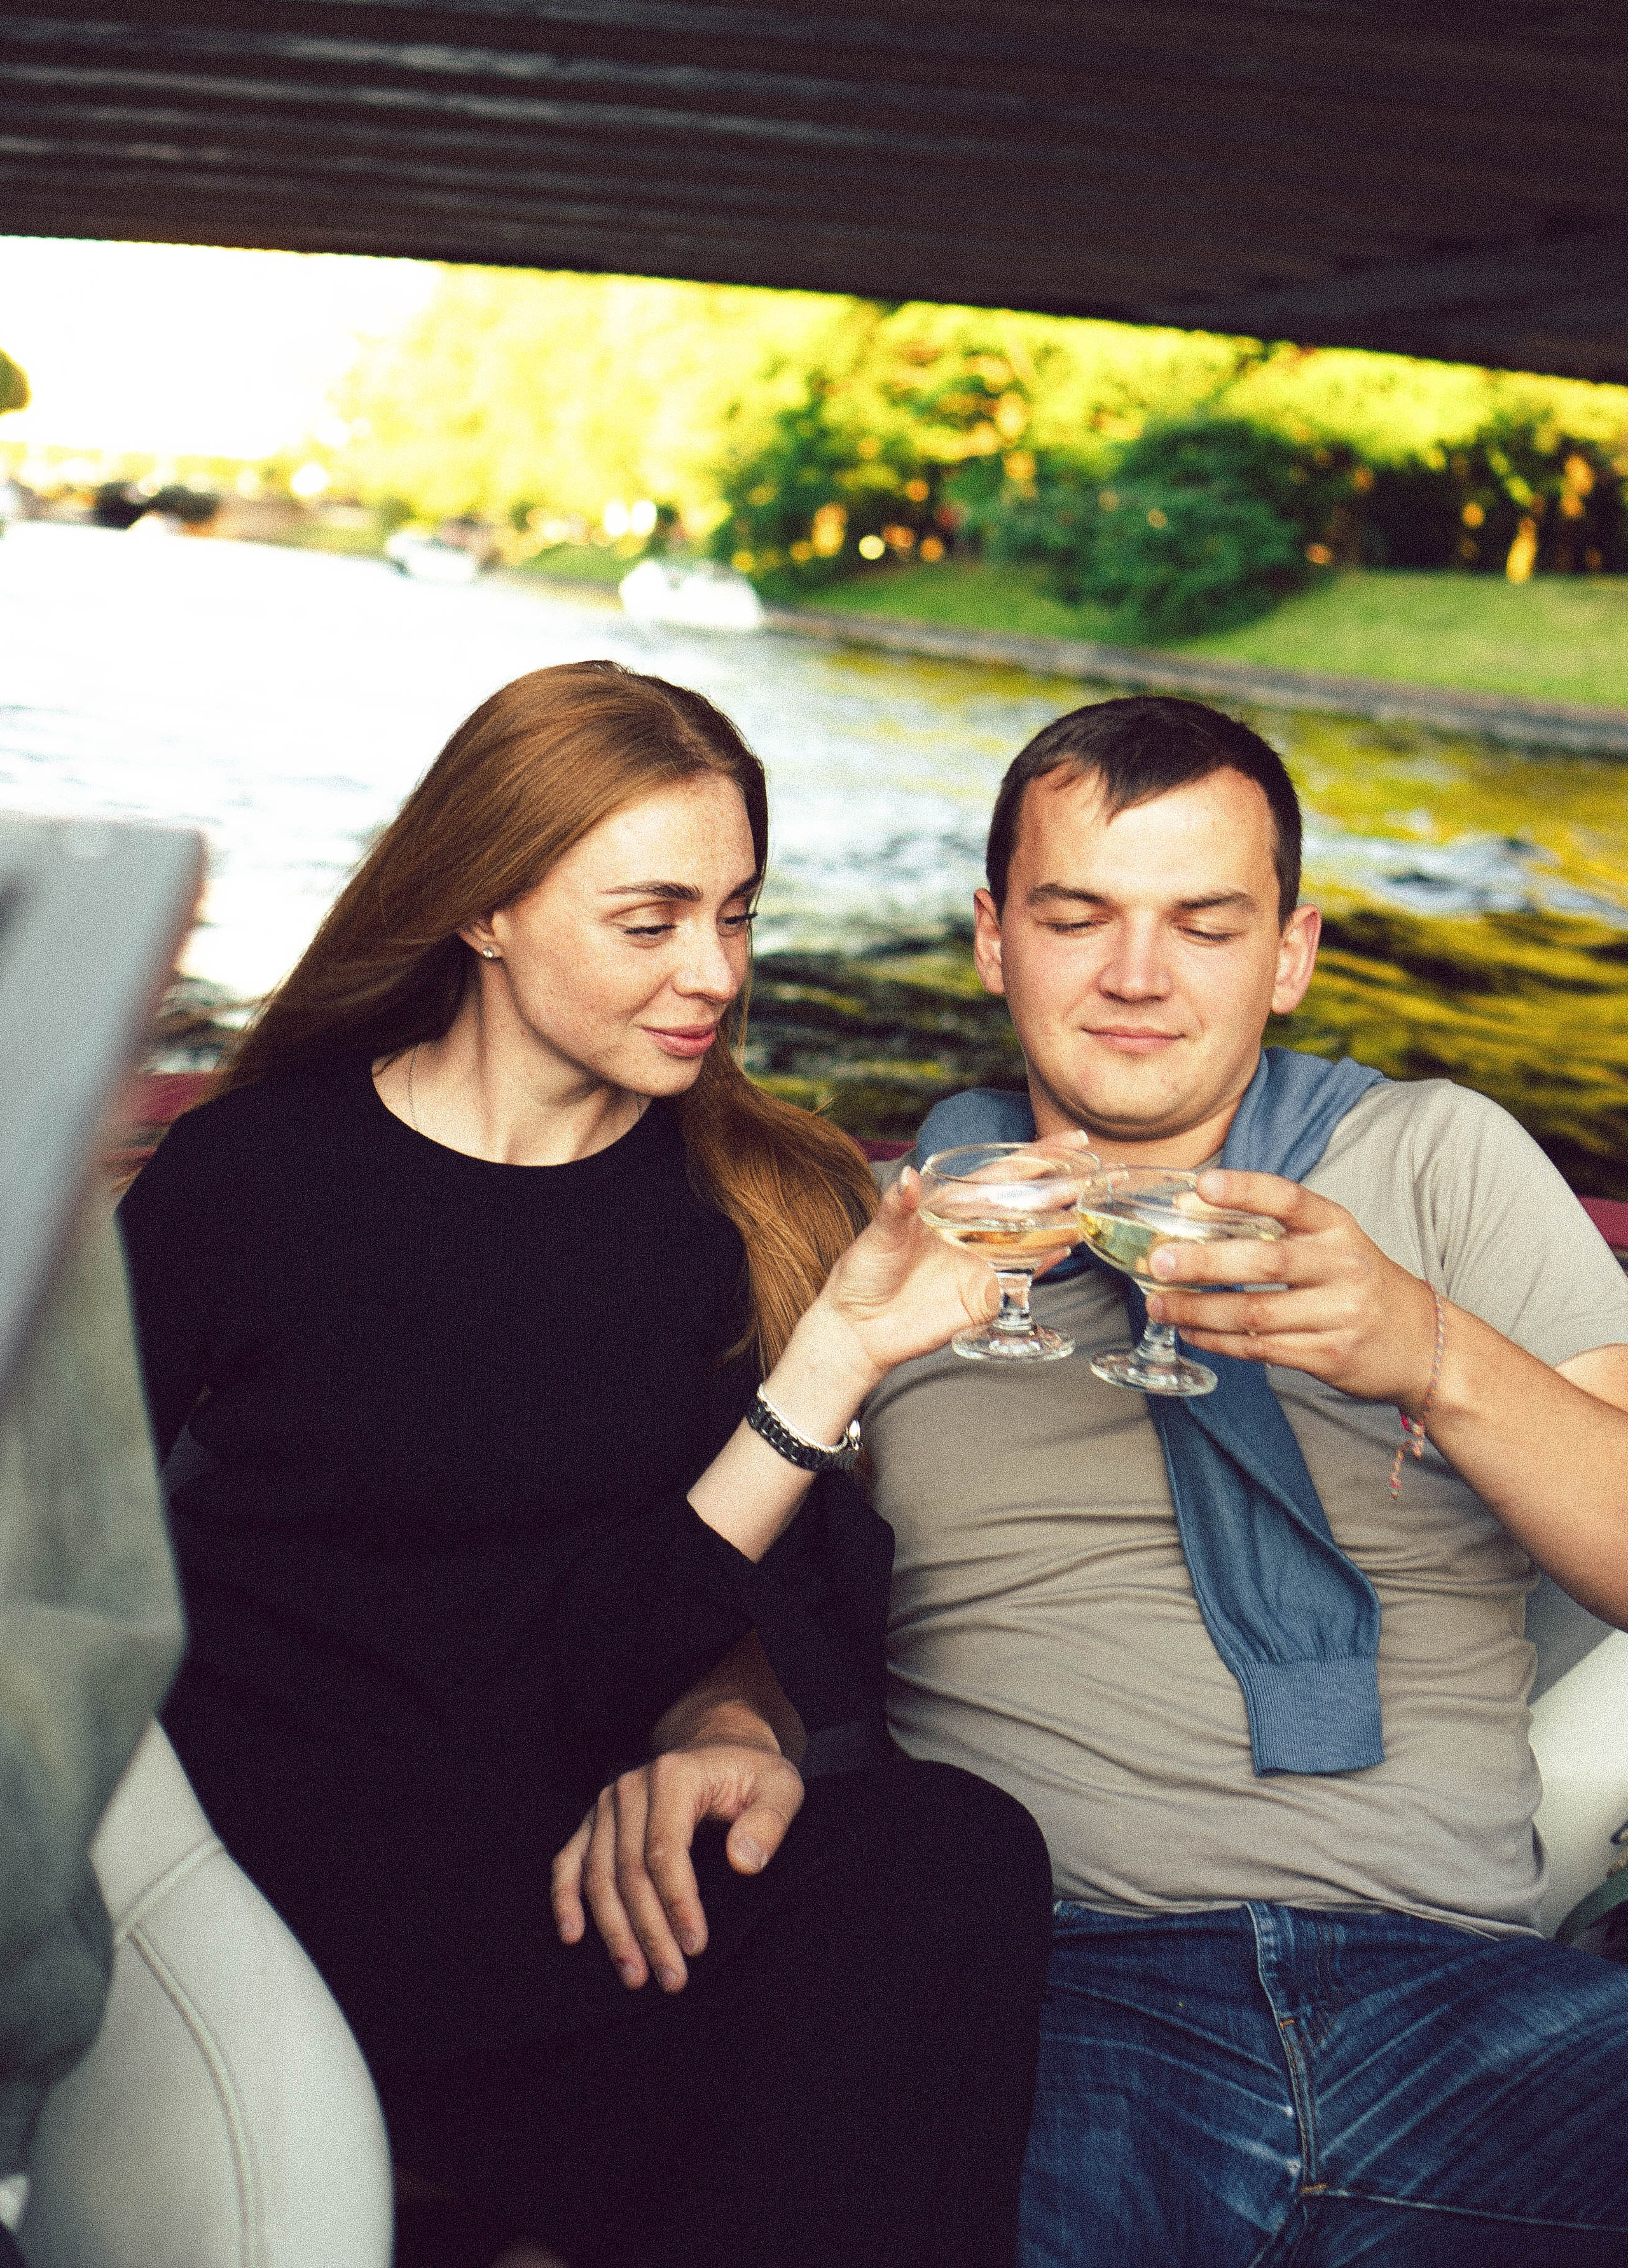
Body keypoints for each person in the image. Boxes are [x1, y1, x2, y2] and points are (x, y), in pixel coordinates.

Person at [567, 694, 1628, 2267]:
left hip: (1467, 2008)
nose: (1137, 977)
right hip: (1053, 1997)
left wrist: (1429, 1350)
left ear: (1289, 952)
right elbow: (713, 1582)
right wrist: (718, 1714)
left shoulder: (1436, 1160)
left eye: (1205, 925)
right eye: (1078, 918)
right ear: (994, 939)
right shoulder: (865, 1243)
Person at [115, 661, 1054, 2268]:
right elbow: (60, 1539)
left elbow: (660, 1637)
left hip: (580, 1875)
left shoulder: (765, 1206)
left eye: (738, 915)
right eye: (653, 919)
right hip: (263, 1863)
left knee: (954, 1852)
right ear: (484, 907)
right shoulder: (255, 1174)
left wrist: (730, 1722)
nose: (713, 973)